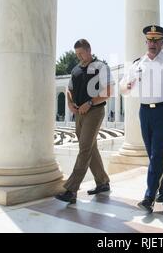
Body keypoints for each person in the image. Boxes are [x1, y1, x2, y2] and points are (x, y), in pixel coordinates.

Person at [120, 25, 163, 214]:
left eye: (157, 40)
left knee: (158, 154)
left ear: (162, 43)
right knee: (153, 155)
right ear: (146, 42)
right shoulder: (137, 63)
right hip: (144, 112)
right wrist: (128, 85)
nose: (153, 43)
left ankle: (149, 197)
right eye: (150, 40)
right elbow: (123, 89)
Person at [55, 39, 114, 204]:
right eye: (77, 54)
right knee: (90, 148)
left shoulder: (101, 67)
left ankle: (71, 190)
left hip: (94, 111)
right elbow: (69, 89)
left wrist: (89, 103)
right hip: (79, 114)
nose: (79, 57)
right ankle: (103, 182)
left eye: (81, 53)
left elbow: (108, 91)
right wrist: (69, 103)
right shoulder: (75, 70)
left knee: (85, 148)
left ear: (89, 50)